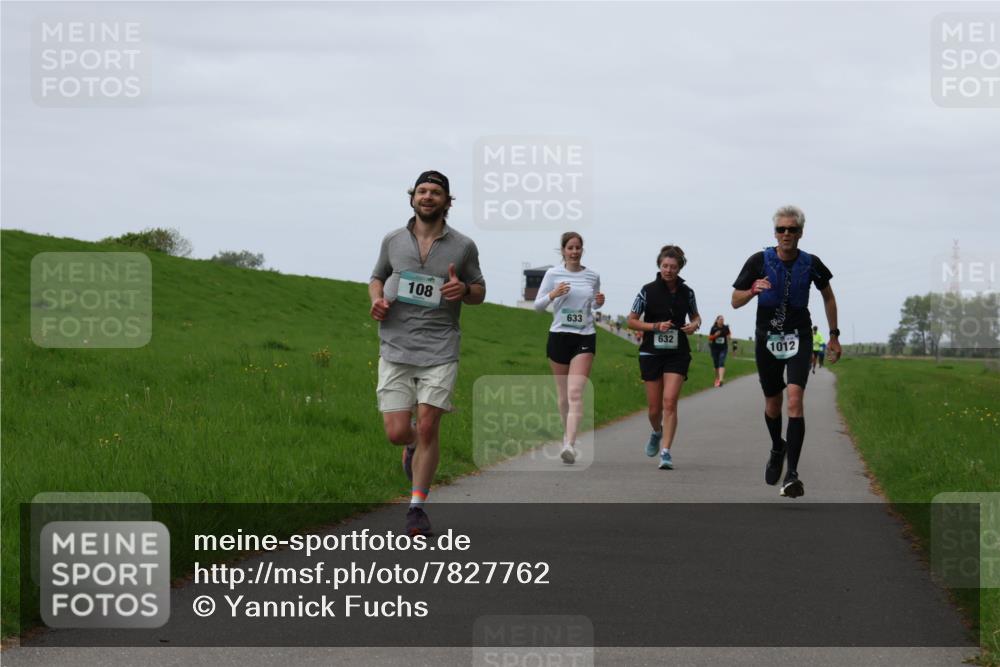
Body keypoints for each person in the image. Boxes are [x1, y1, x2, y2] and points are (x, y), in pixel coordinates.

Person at [369, 170, 486, 536]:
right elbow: (376, 277)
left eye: (436, 192)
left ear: (448, 202)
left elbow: (480, 291)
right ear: (412, 198)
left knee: (431, 424)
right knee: (397, 432)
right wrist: (376, 301)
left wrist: (462, 289)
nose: (428, 196)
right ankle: (411, 447)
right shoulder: (392, 240)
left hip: (440, 346)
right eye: (422, 191)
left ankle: (417, 506)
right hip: (396, 345)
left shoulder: (463, 246)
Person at [731, 205, 841, 498]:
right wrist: (752, 291)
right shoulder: (759, 261)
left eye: (792, 229)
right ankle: (777, 446)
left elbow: (828, 296)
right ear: (775, 233)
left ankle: (792, 474)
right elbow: (735, 301)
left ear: (801, 233)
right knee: (772, 403)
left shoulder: (811, 263)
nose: (787, 234)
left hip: (799, 337)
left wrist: (833, 335)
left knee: (794, 400)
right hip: (767, 338)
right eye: (781, 229)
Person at [628, 245, 701, 470]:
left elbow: (696, 316)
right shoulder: (647, 290)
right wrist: (655, 326)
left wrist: (694, 326)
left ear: (679, 268)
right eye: (665, 266)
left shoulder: (687, 292)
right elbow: (631, 320)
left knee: (670, 401)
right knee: (654, 409)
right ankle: (656, 432)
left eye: (673, 267)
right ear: (659, 266)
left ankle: (666, 452)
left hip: (677, 353)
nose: (668, 270)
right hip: (651, 352)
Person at [533, 232, 605, 464]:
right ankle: (567, 434)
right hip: (559, 336)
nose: (574, 252)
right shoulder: (553, 274)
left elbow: (592, 303)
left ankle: (570, 445)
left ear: (582, 250)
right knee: (563, 396)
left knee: (575, 392)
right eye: (570, 248)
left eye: (578, 248)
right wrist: (553, 294)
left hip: (584, 336)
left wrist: (599, 302)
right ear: (563, 250)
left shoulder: (592, 276)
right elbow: (537, 306)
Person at [708, 315, 732, 387]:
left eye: (723, 319)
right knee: (716, 365)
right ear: (717, 320)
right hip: (715, 348)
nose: (722, 321)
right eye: (720, 319)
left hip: (723, 348)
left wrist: (729, 337)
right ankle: (717, 378)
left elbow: (729, 336)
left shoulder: (725, 328)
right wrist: (715, 335)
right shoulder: (713, 328)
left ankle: (721, 380)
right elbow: (710, 338)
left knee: (721, 362)